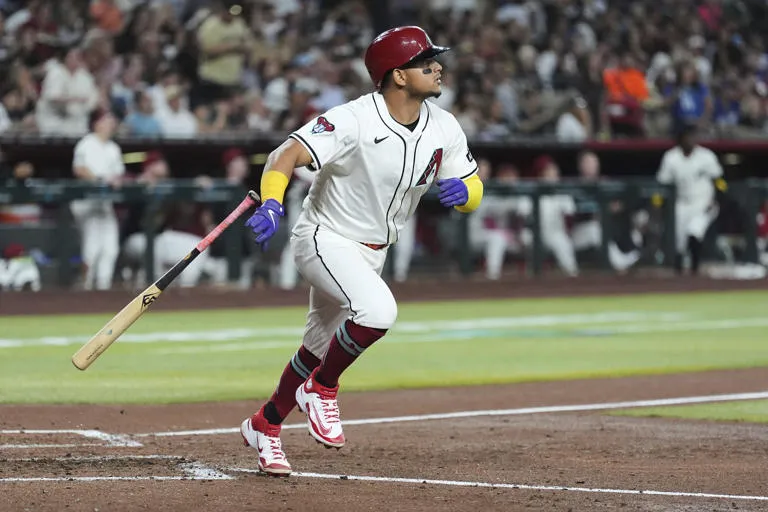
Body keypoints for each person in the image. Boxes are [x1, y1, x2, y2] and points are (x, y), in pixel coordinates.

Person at [238, 26, 483, 476]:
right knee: (377, 312)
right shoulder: (353, 118)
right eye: (425, 61)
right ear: (398, 76)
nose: (437, 66)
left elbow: (472, 184)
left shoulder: (444, 125)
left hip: (373, 251)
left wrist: (465, 194)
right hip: (324, 238)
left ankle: (265, 425)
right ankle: (323, 389)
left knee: (315, 347)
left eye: (435, 58)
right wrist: (272, 201)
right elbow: (285, 154)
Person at [657, 124, 724, 274]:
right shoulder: (671, 157)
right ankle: (679, 276)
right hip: (681, 203)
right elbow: (662, 184)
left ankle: (695, 268)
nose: (691, 139)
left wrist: (717, 199)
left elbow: (718, 181)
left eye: (693, 136)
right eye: (687, 136)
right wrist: (659, 205)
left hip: (703, 203)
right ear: (680, 139)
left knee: (694, 232)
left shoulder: (706, 156)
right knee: (679, 242)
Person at [70, 109, 124, 290]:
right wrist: (100, 180)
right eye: (106, 120)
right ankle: (86, 287)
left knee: (110, 247)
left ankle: (103, 288)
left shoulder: (113, 148)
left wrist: (114, 181)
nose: (110, 123)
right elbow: (79, 169)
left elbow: (118, 175)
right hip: (87, 202)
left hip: (105, 203)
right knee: (92, 248)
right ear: (96, 123)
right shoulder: (86, 144)